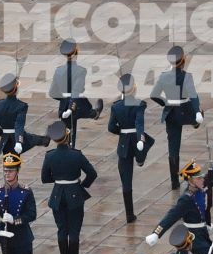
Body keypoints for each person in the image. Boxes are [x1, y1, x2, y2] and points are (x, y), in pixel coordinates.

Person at [40, 119, 97, 254]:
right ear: (67, 136)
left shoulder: (50, 156)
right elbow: (92, 174)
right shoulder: (76, 155)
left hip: (58, 194)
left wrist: (60, 181)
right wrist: (82, 185)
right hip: (74, 194)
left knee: (61, 230)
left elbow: (45, 178)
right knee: (74, 231)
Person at [150, 46, 202, 191]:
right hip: (186, 112)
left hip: (171, 113)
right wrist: (197, 112)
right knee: (197, 108)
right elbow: (193, 95)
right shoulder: (187, 76)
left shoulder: (163, 76)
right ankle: (195, 122)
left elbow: (154, 95)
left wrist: (165, 102)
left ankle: (174, 181)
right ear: (183, 60)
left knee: (173, 149)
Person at [105, 73, 155, 223]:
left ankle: (129, 214)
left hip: (124, 142)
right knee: (145, 145)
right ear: (134, 89)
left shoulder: (116, 107)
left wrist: (121, 132)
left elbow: (111, 127)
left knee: (126, 180)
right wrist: (139, 138)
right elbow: (140, 124)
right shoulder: (139, 104)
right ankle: (140, 159)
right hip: (135, 139)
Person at [48, 37, 104, 145]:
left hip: (65, 106)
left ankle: (95, 113)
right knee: (73, 131)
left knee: (68, 132)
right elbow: (76, 91)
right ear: (76, 52)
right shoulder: (81, 71)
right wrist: (70, 107)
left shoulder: (58, 71)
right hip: (76, 104)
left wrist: (65, 99)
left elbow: (52, 92)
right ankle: (95, 114)